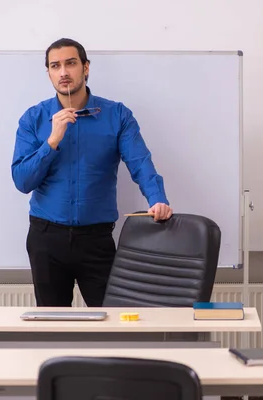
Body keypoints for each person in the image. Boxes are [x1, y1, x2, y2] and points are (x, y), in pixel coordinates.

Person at [11, 38, 173, 307]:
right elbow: (22, 181)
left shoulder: (117, 115)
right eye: (55, 66)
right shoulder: (33, 119)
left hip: (96, 240)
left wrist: (158, 199)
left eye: (71, 63)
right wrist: (51, 142)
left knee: (111, 324)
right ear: (49, 73)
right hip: (46, 239)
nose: (63, 72)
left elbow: (140, 162)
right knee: (52, 327)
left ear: (86, 68)